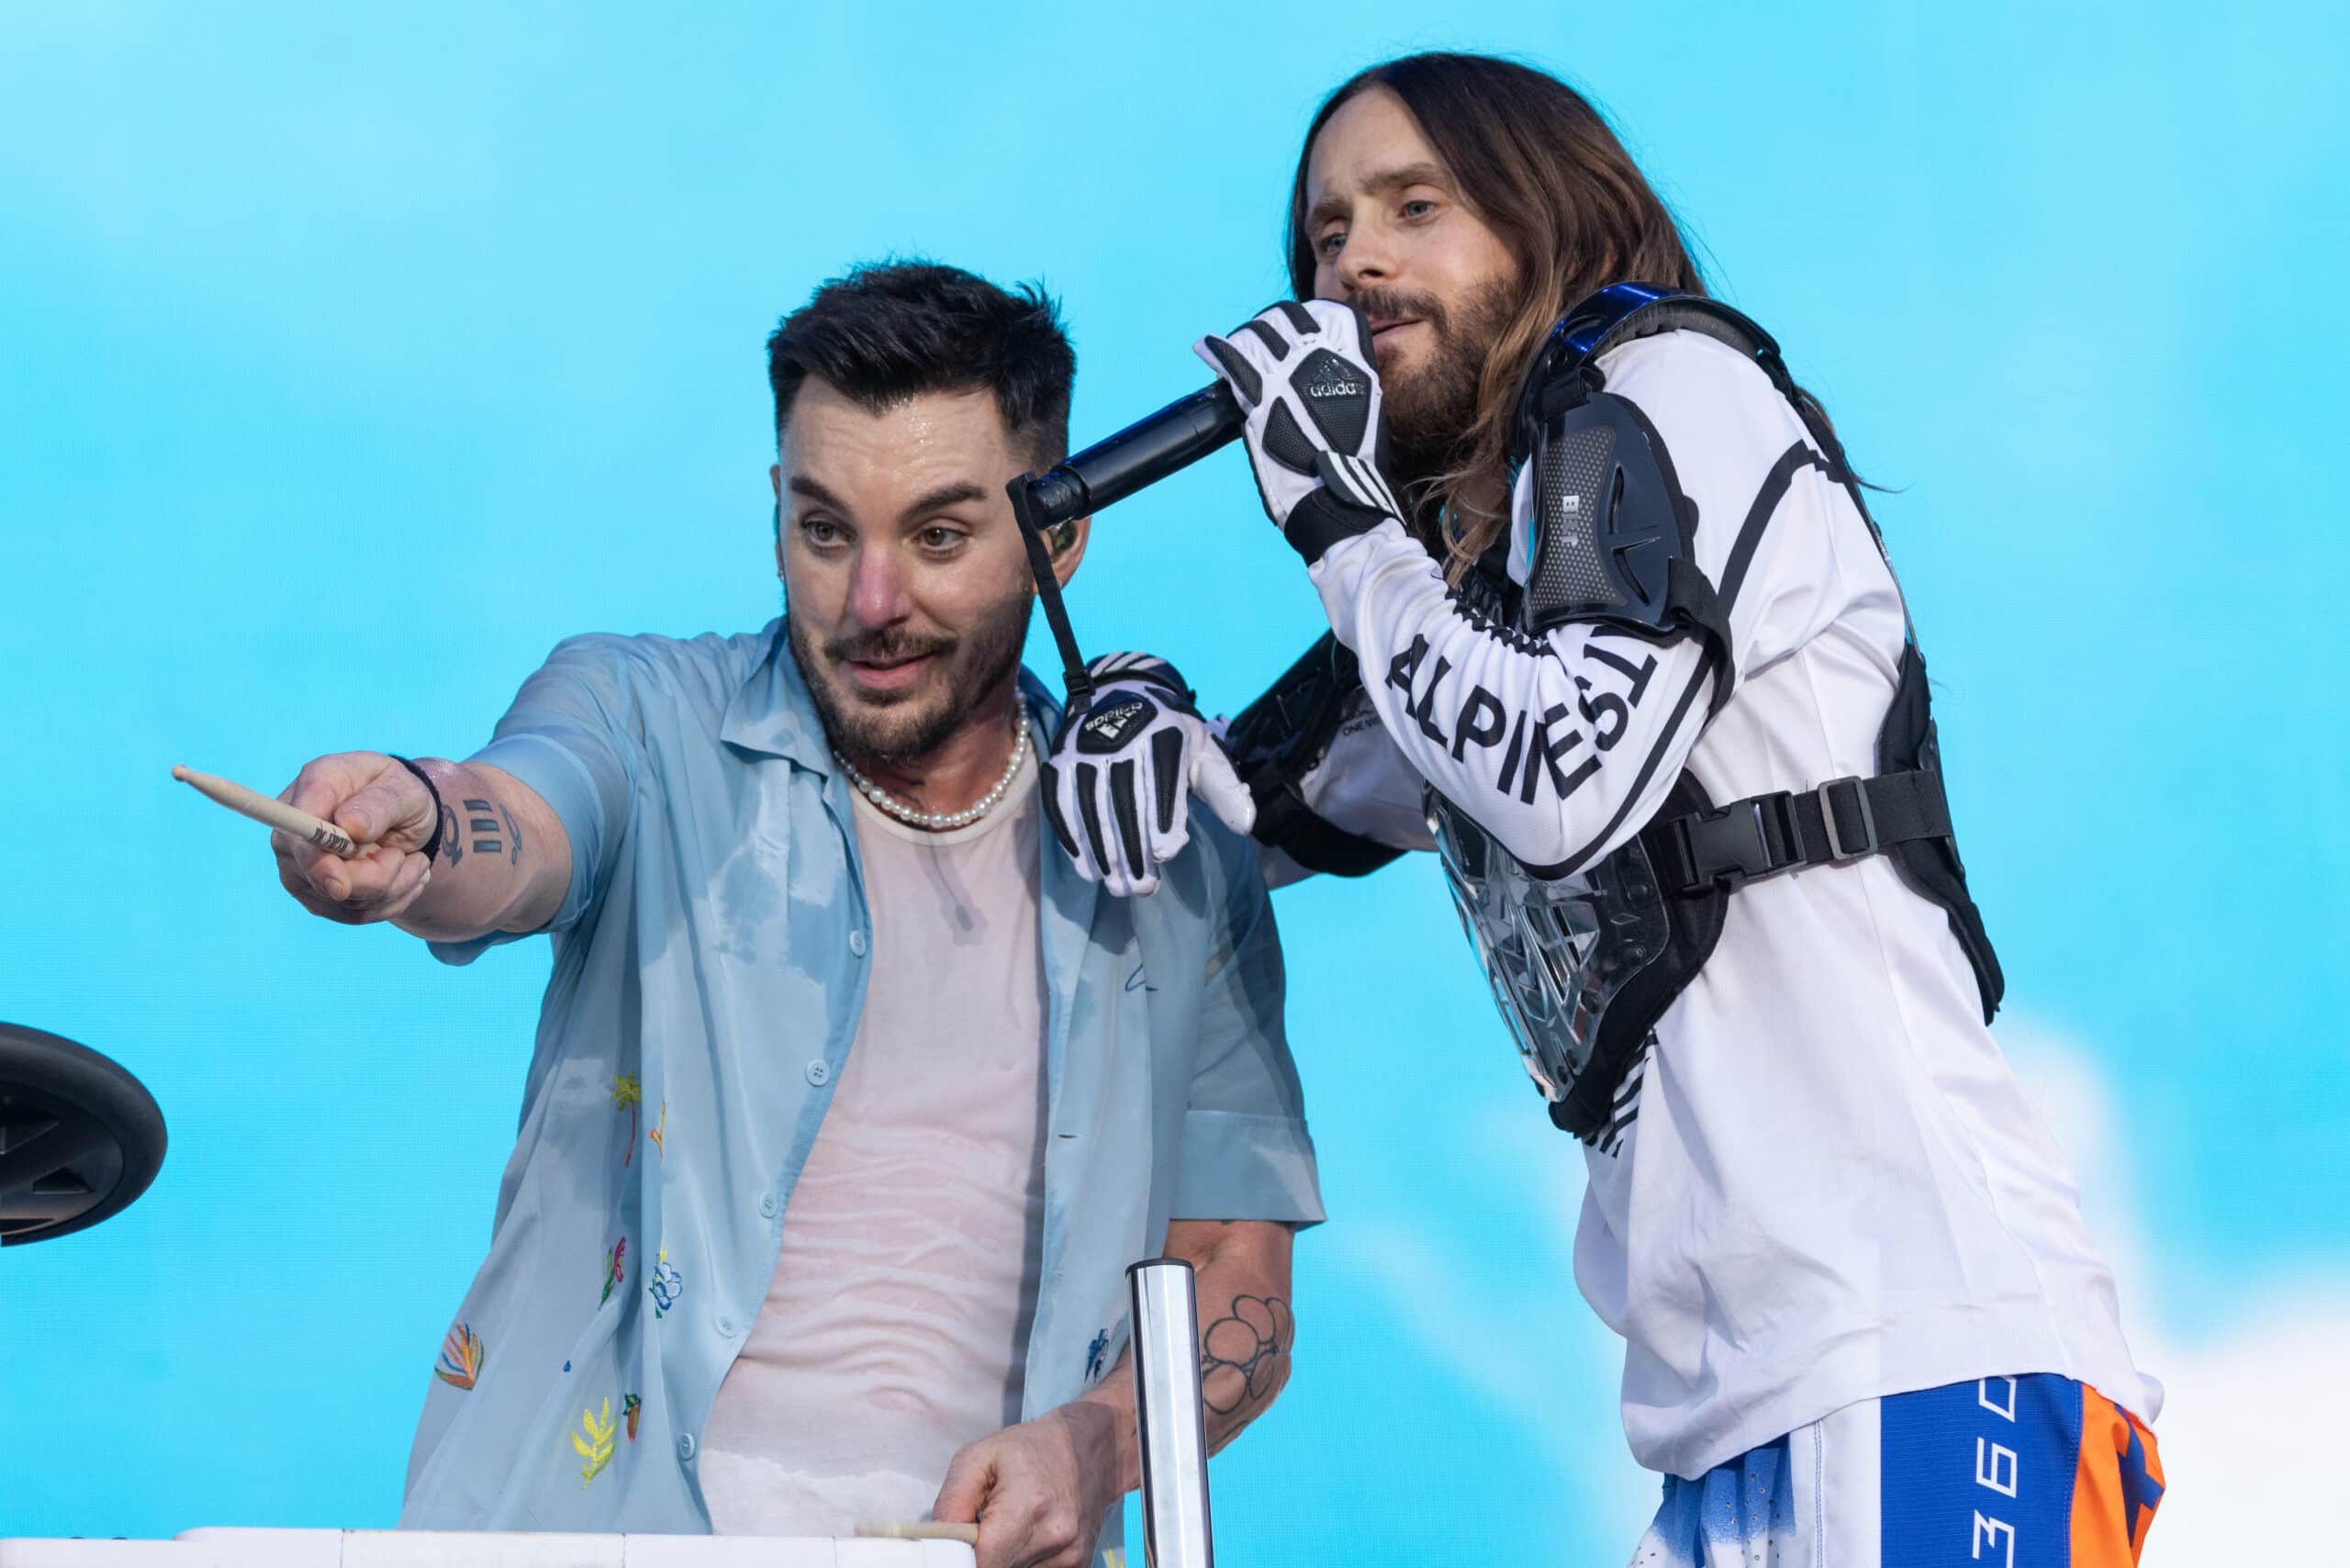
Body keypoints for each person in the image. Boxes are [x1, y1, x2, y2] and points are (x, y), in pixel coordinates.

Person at [1044, 53, 2165, 1566]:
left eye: (1413, 207)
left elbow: (1565, 774)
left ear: (1548, 218)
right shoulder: (1475, 581)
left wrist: (1336, 521)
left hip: (1919, 1339)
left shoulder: (1673, 389)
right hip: (1726, 1418)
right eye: (1323, 235)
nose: (1354, 260)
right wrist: (1119, 705)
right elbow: (1241, 821)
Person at [266, 262, 1320, 1568]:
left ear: (1057, 534)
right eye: (826, 532)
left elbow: (1240, 1284)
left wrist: (1093, 1449)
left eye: (938, 537)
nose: (870, 603)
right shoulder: (644, 720)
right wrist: (422, 823)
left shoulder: (1169, 847)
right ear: (776, 508)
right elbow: (525, 819)